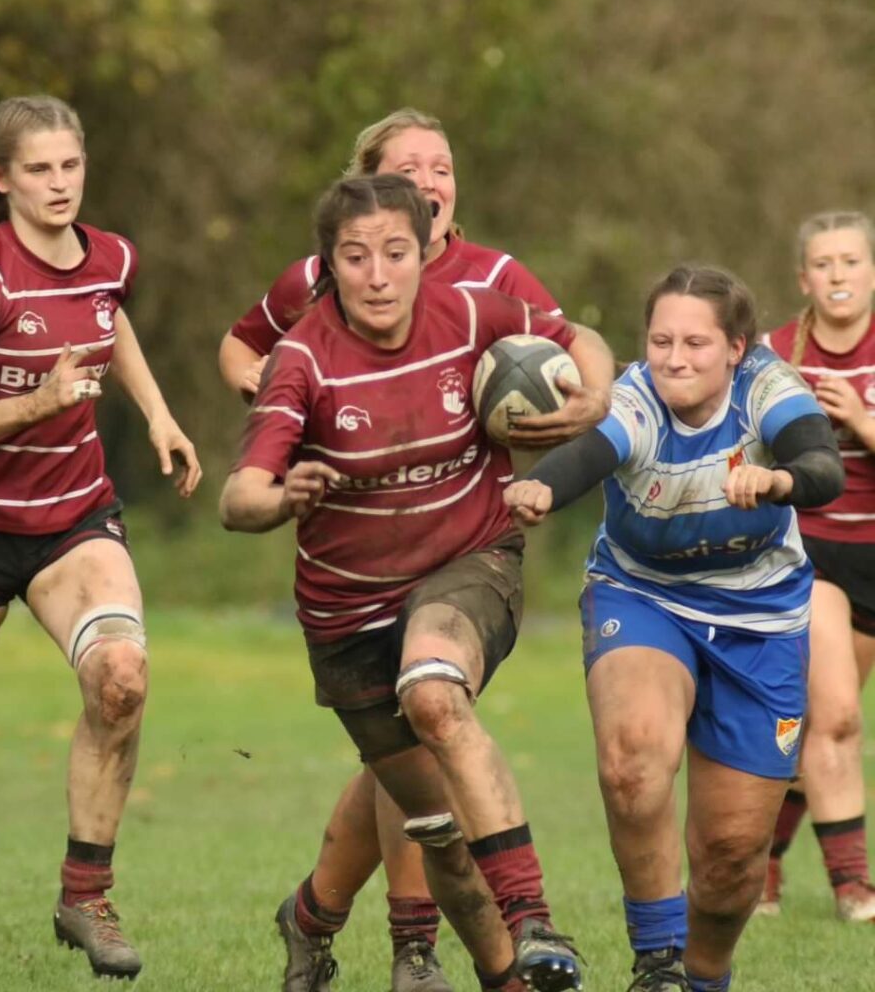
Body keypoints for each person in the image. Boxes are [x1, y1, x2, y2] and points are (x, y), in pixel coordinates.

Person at [220, 108, 591, 992]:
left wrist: (592, 400)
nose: (379, 274)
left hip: (467, 563)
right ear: (329, 265)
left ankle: (533, 918)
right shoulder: (304, 358)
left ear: (427, 246)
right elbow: (239, 498)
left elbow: (583, 343)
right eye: (356, 257)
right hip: (347, 617)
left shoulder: (477, 308)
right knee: (438, 837)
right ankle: (500, 970)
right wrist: (284, 495)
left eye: (397, 252)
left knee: (433, 690)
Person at [0, 95, 201, 992]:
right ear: (3, 179)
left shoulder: (112, 256)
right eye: (40, 170)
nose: (60, 184)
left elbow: (106, 316)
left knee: (122, 678)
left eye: (71, 166)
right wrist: (40, 402)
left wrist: (159, 414)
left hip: (71, 519)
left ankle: (85, 893)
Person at [504, 265, 844, 991]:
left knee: (730, 859)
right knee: (634, 759)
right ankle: (656, 961)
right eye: (661, 341)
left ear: (737, 348)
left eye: (696, 343)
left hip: (761, 619)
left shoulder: (768, 389)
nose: (675, 358)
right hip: (643, 594)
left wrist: (780, 480)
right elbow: (592, 451)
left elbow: (822, 462)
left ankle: (700, 978)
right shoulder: (637, 397)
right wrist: (545, 484)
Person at [758, 211, 875, 920]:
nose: (838, 275)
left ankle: (761, 860)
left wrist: (861, 421)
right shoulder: (774, 354)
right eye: (823, 264)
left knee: (814, 733)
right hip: (813, 553)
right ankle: (854, 887)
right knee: (832, 717)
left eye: (851, 262)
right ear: (804, 278)